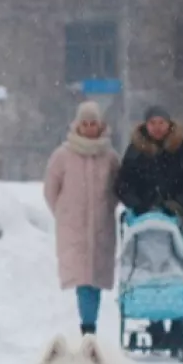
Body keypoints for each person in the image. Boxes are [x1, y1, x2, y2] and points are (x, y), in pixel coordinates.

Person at [114, 104, 183, 349]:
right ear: (146, 125)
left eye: (161, 123)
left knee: (178, 267)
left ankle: (178, 326)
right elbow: (123, 184)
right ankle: (155, 324)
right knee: (148, 269)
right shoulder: (135, 152)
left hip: (176, 218)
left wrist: (178, 204)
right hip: (143, 221)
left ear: (169, 124)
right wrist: (137, 204)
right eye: (152, 123)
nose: (157, 128)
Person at [42, 101, 120, 336]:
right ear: (77, 125)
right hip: (73, 227)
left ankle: (89, 324)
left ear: (100, 125)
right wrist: (64, 213)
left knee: (95, 278)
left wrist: (105, 209)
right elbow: (50, 190)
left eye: (93, 123)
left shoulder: (110, 157)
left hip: (101, 226)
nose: (89, 128)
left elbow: (117, 190)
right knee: (83, 279)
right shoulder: (62, 156)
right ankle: (88, 327)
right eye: (84, 123)